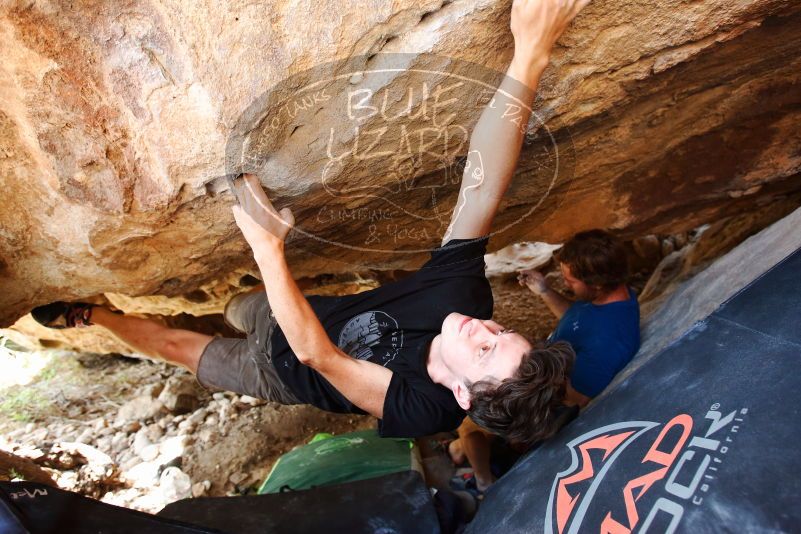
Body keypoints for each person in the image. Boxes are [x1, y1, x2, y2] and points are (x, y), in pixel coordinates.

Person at [31, 0, 590, 444]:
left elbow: (317, 356)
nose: (483, 330)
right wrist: (530, 55)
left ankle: (97, 315)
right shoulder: (464, 297)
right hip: (295, 310)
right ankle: (213, 307)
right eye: (503, 333)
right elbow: (482, 184)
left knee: (178, 346)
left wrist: (269, 249)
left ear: (465, 396)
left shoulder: (426, 409)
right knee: (233, 306)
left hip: (281, 372)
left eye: (487, 352)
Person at [449, 229, 641, 494]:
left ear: (595, 284)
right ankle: (460, 450)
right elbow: (574, 318)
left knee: (468, 423)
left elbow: (571, 400)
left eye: (570, 281)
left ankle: (484, 483)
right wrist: (544, 290)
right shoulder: (612, 295)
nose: (566, 285)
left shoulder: (609, 344)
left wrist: (521, 379)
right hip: (542, 374)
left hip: (538, 402)